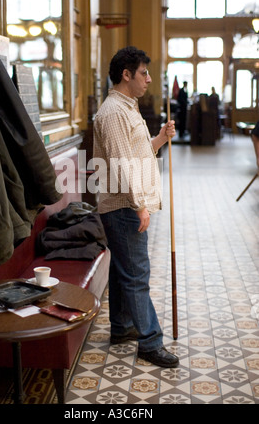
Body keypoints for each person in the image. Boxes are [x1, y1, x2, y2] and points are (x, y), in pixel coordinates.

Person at [93, 46, 179, 368]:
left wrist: (158, 138)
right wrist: (140, 206)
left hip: (125, 205)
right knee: (137, 275)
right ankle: (150, 342)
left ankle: (122, 327)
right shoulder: (114, 112)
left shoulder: (128, 107)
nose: (149, 79)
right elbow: (120, 165)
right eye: (144, 73)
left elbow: (138, 153)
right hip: (123, 208)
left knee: (122, 271)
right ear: (126, 75)